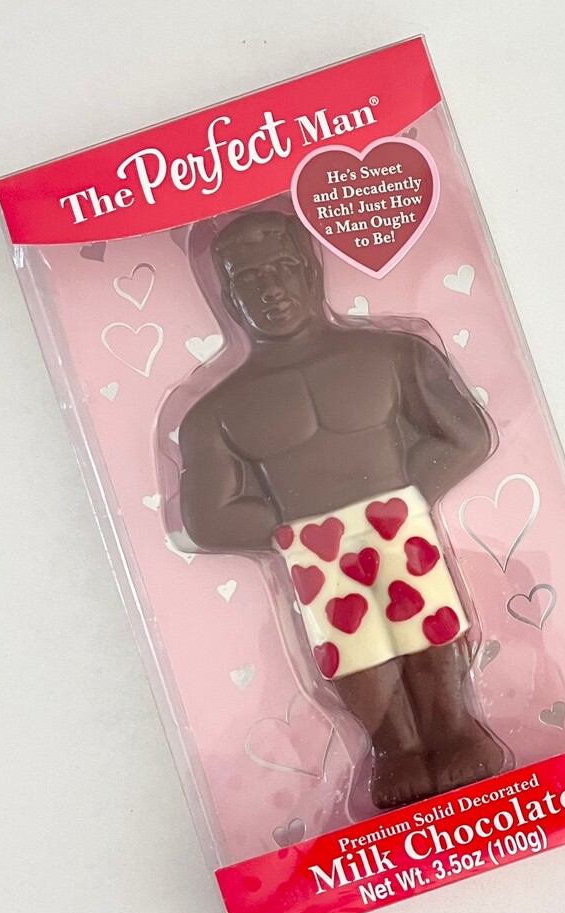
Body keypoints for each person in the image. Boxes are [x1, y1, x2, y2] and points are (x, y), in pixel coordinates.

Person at [179, 210, 503, 809]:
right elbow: (207, 517)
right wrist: (292, 528)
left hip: (397, 524)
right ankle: (395, 749)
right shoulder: (214, 413)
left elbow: (466, 435)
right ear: (228, 297)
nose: (270, 289)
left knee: (430, 622)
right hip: (311, 547)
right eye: (249, 279)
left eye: (281, 268)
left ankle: (454, 731)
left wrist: (404, 494)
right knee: (353, 645)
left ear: (311, 270)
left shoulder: (395, 355)